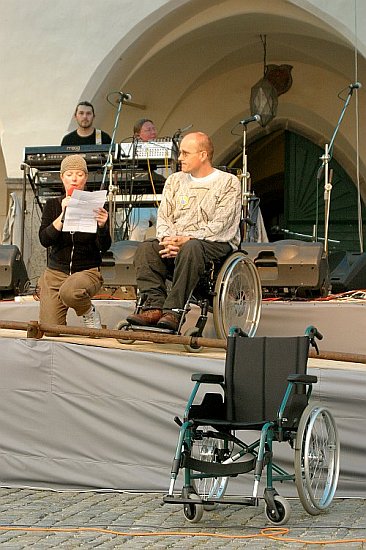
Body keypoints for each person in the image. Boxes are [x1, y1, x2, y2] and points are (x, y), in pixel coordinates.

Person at [127, 131, 242, 331]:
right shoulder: (174, 181)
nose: (179, 158)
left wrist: (186, 239)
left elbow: (222, 224)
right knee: (146, 248)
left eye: (185, 153)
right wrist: (168, 240)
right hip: (178, 241)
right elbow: (164, 217)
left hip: (214, 243)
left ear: (203, 155)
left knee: (192, 247)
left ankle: (174, 310)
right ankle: (153, 306)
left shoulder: (228, 182)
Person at [38, 154, 111, 331]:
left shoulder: (96, 204)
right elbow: (44, 240)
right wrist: (62, 216)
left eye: (79, 174)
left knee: (70, 292)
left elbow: (105, 247)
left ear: (85, 178)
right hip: (55, 273)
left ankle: (89, 312)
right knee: (51, 330)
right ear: (62, 177)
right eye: (69, 174)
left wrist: (102, 226)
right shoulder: (52, 205)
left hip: (86, 271)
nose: (74, 179)